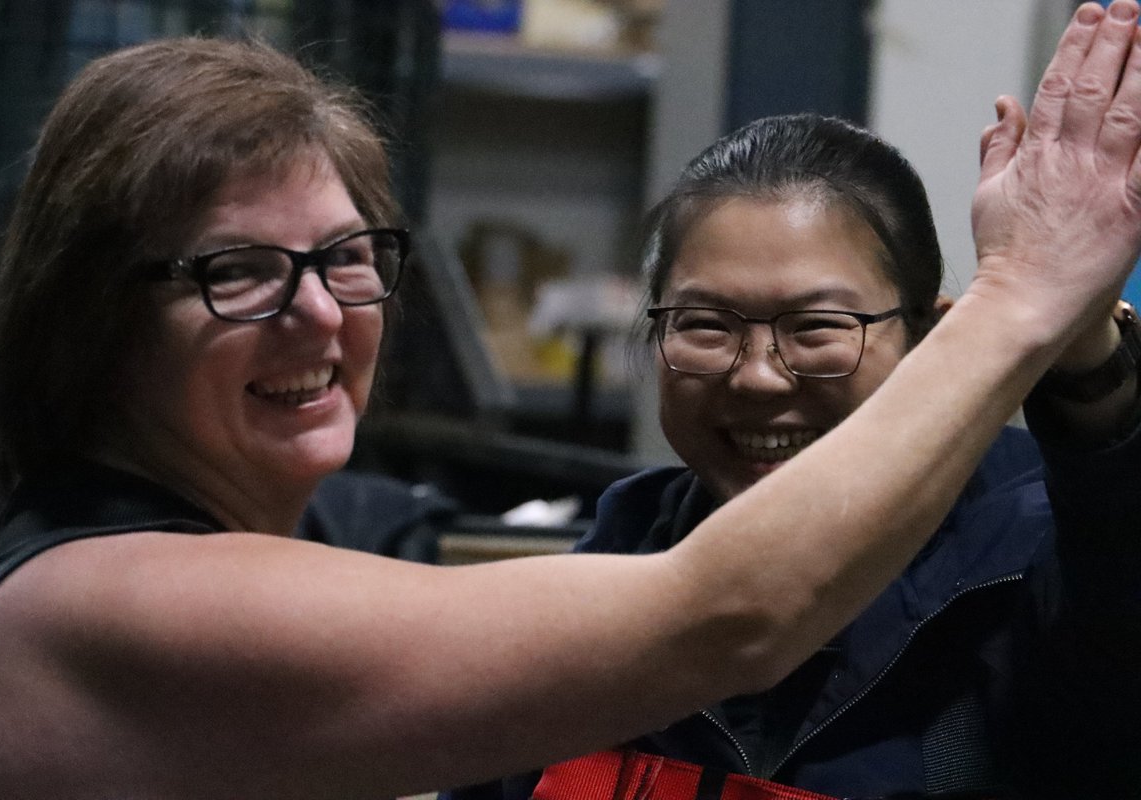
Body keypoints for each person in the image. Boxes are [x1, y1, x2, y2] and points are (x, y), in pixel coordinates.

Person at [0, 1, 1140, 796]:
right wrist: (1025, 291)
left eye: (345, 257)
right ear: (91, 310)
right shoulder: (112, 601)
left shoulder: (1030, 553)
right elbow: (728, 615)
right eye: (237, 270)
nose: (315, 312)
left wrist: (1073, 355)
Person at [441, 8, 1141, 800]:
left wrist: (1074, 344)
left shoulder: (1030, 567)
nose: (759, 377)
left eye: (817, 328)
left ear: (932, 339)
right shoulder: (605, 583)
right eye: (705, 325)